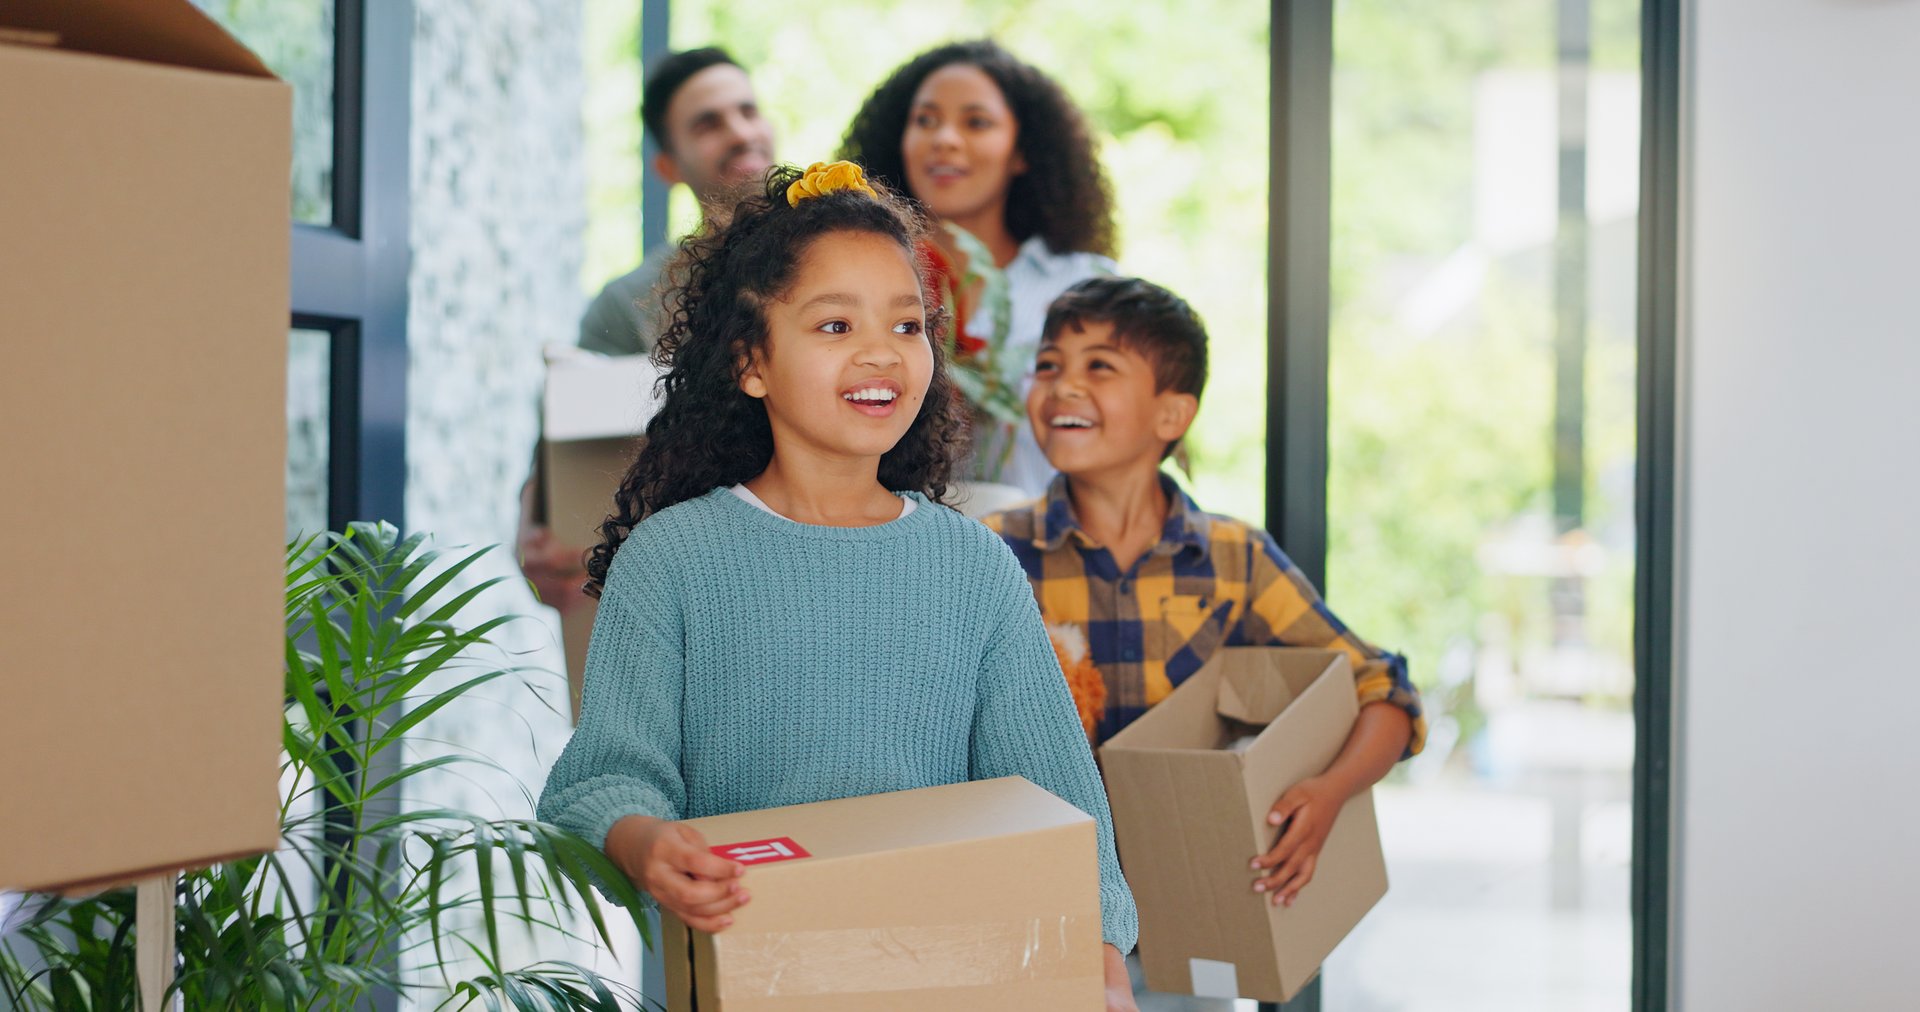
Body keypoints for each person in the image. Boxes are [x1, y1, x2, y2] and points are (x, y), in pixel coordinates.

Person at [535, 162, 1142, 1010]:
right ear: (750, 362)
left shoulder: (973, 568)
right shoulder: (673, 560)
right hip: (753, 982)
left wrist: (1104, 964)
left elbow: (1057, 803)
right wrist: (645, 845)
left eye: (906, 323)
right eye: (833, 325)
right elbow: (605, 777)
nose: (880, 352)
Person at [981, 277, 1424, 1003]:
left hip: (1186, 929)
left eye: (1100, 366)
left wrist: (1328, 794)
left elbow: (1384, 688)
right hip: (1036, 927)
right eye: (1049, 365)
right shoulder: (989, 552)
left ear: (1171, 413)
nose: (1062, 387)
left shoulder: (1232, 559)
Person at [520, 46, 777, 616]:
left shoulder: (846, 261)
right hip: (694, 597)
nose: (740, 132)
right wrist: (537, 537)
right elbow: (563, 458)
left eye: (747, 110)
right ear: (667, 165)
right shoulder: (627, 305)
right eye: (708, 123)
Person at [841, 40, 1117, 496]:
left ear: (1022, 151)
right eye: (925, 120)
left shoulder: (1089, 284)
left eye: (976, 122)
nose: (945, 139)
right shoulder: (855, 278)